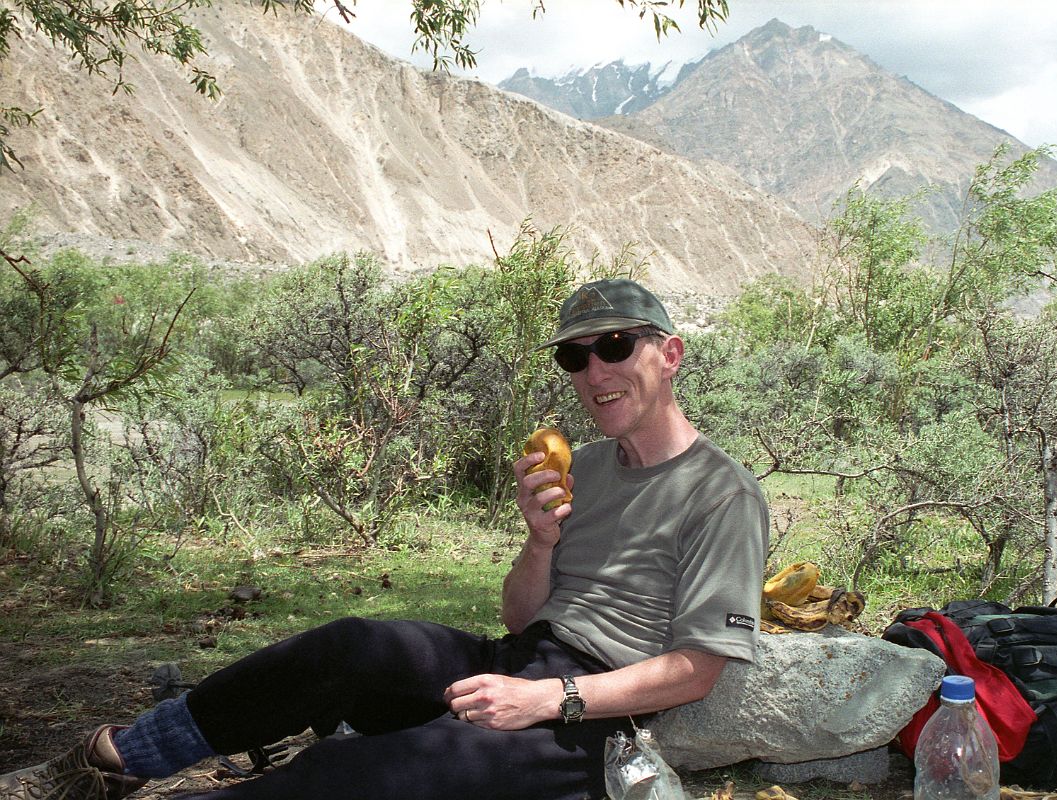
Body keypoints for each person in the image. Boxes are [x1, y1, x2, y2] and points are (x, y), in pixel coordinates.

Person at [1, 278, 769, 800]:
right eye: (575, 354)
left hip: (592, 719)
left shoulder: (722, 494)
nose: (592, 369)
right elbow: (519, 618)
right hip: (520, 661)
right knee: (351, 645)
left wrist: (549, 698)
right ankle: (114, 763)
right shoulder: (589, 467)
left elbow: (697, 668)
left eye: (615, 346)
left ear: (668, 353)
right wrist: (538, 544)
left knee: (343, 775)